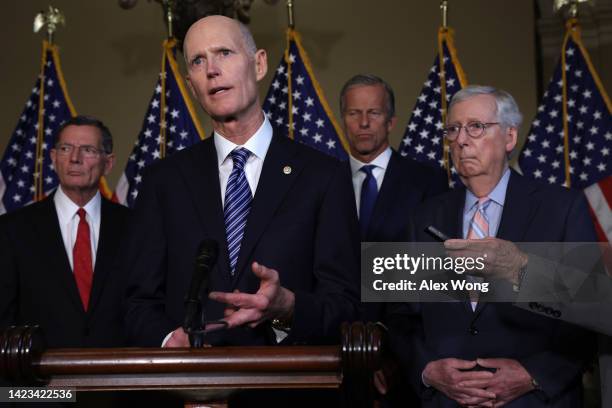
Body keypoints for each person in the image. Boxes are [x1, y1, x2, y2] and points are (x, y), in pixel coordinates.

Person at [123, 15, 359, 350]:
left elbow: (347, 305)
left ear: (259, 64)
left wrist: (287, 308)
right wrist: (167, 340)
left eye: (224, 53)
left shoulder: (323, 176)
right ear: (191, 84)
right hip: (191, 388)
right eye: (198, 60)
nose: (212, 70)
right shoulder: (163, 181)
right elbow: (138, 302)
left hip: (287, 389)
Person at [388, 85, 596, 407]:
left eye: (476, 127)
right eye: (453, 129)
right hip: (446, 401)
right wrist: (428, 370)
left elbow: (591, 307)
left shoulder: (562, 208)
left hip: (534, 400)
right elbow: (401, 315)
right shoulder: (425, 215)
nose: (460, 139)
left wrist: (533, 374)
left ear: (510, 138)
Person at [0, 115, 130, 349]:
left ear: (108, 163)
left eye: (88, 149)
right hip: (38, 379)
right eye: (65, 148)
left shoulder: (134, 226)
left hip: (119, 375)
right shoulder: (12, 230)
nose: (74, 158)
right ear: (53, 158)